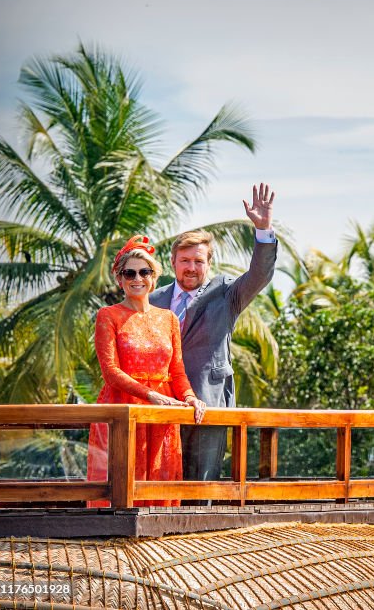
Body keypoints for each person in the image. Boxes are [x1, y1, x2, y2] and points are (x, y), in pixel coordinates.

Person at [150, 183, 277, 484]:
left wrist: (263, 230)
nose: (191, 267)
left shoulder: (227, 295)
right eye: (185, 261)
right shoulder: (154, 300)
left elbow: (259, 275)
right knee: (159, 479)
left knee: (202, 481)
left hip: (209, 402)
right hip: (161, 405)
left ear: (209, 263)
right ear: (173, 262)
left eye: (198, 261)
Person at [87, 236, 207, 507]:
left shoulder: (169, 319)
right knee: (121, 482)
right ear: (120, 279)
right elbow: (110, 372)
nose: (137, 278)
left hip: (161, 413)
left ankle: (158, 545)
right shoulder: (108, 315)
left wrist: (189, 397)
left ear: (154, 278)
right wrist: (151, 395)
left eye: (145, 272)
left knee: (159, 478)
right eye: (129, 273)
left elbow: (177, 371)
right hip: (123, 407)